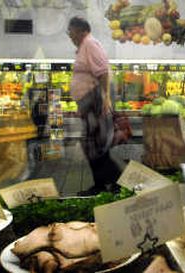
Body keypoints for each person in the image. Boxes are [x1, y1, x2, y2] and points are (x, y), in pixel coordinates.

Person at [67, 16, 121, 195]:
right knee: (93, 146)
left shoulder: (90, 44)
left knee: (95, 146)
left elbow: (103, 72)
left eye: (71, 32)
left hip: (95, 100)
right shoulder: (84, 47)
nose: (70, 36)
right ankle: (104, 184)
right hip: (89, 102)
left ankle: (116, 183)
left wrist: (105, 97)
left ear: (81, 31)